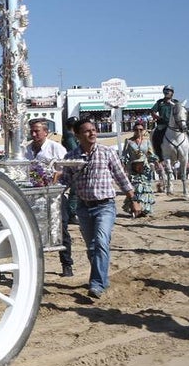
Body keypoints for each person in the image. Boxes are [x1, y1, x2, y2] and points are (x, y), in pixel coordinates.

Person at [59, 117, 141, 300]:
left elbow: (121, 177)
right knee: (91, 247)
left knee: (101, 242)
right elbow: (65, 181)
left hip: (105, 206)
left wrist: (133, 199)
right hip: (83, 208)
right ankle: (102, 278)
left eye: (94, 129)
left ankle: (96, 284)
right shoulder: (70, 157)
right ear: (78, 135)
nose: (92, 133)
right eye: (87, 131)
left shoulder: (107, 152)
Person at [22, 119, 73, 277]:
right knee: (32, 229)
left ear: (46, 132)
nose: (34, 134)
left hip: (55, 194)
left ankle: (67, 264)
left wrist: (57, 177)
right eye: (32, 131)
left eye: (37, 131)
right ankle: (34, 265)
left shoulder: (56, 148)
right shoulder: (26, 150)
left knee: (61, 228)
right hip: (33, 196)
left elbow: (68, 170)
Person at [121, 121, 157, 217]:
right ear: (133, 130)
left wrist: (154, 161)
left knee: (145, 188)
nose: (138, 131)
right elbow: (124, 155)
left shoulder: (147, 141)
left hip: (145, 168)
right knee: (135, 188)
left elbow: (151, 154)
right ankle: (134, 208)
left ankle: (144, 209)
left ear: (143, 130)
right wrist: (123, 166)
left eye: (141, 129)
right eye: (136, 130)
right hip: (133, 168)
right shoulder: (128, 141)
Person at [151, 86, 181, 162]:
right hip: (162, 125)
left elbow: (180, 111)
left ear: (172, 93)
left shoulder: (176, 102)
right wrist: (158, 117)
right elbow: (152, 111)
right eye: (166, 90)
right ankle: (159, 156)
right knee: (155, 136)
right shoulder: (160, 102)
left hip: (175, 126)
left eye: (169, 90)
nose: (167, 92)